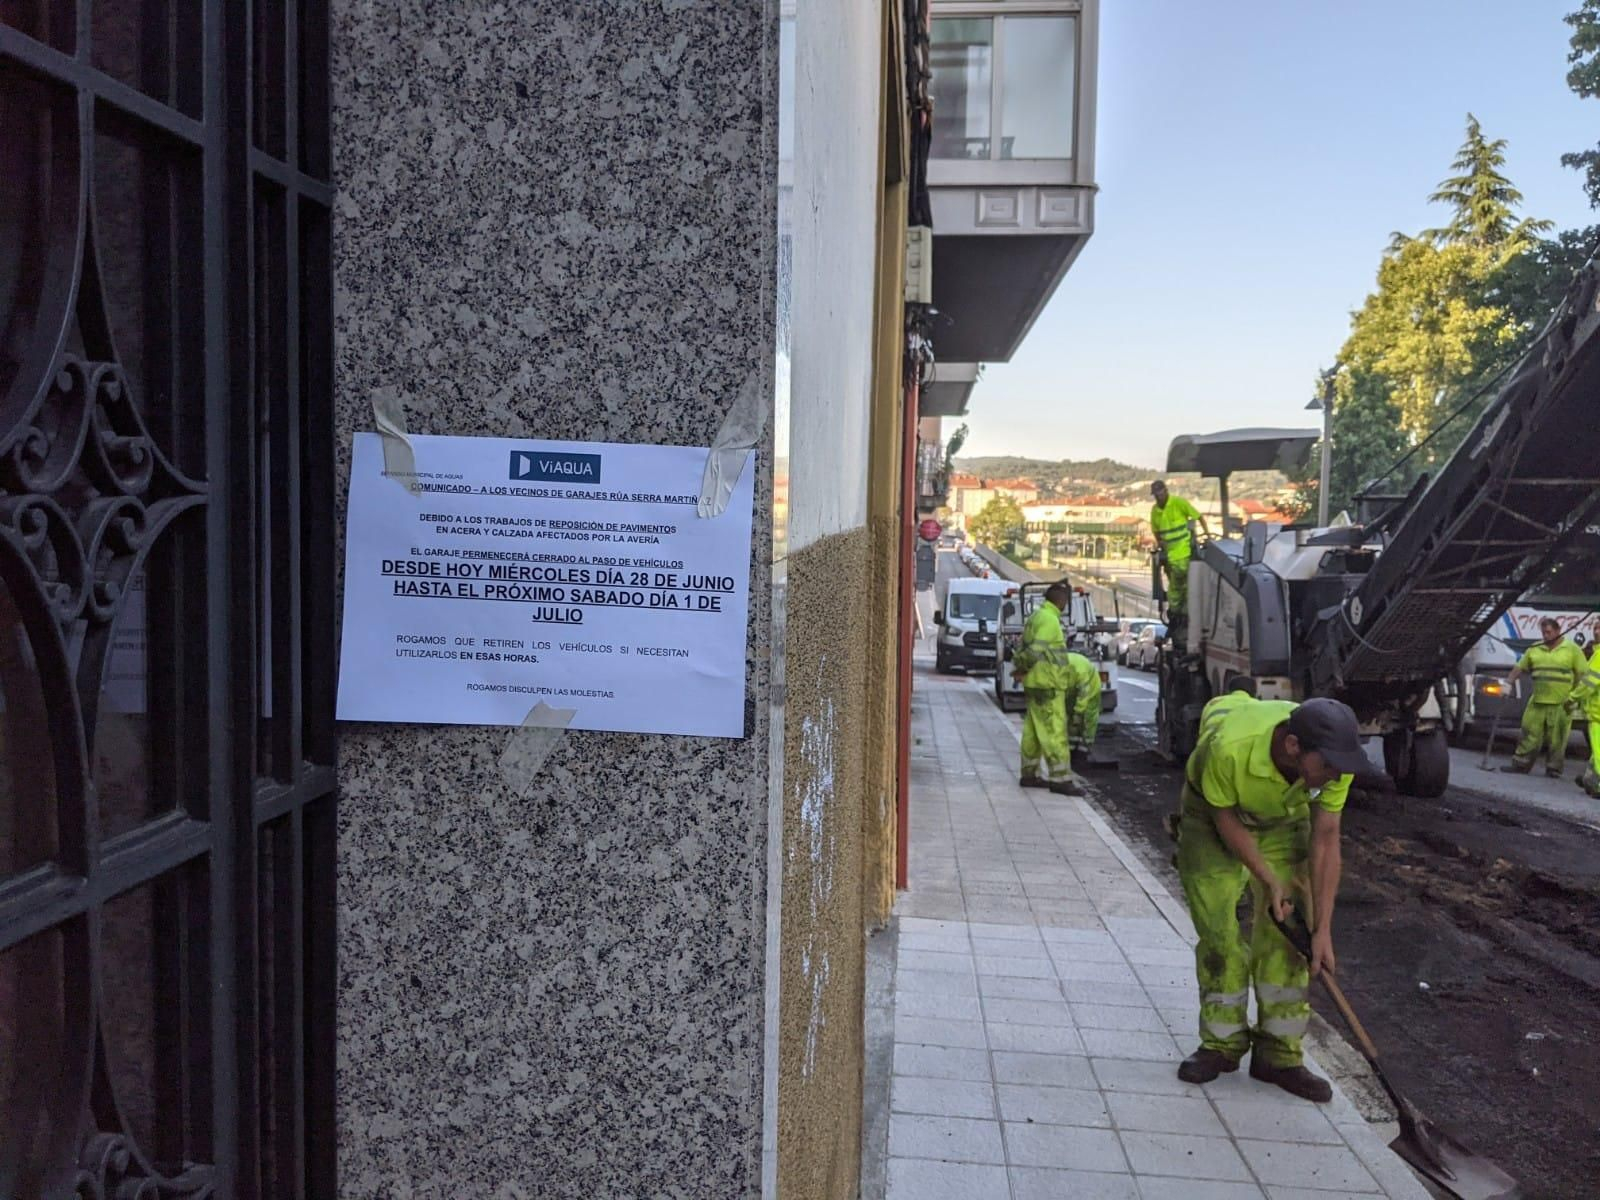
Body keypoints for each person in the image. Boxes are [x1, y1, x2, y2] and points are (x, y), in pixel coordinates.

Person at [1174, 694, 1369, 1103]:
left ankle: (1278, 1056)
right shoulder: (1228, 750)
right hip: (1212, 818)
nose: (1336, 776)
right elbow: (1225, 819)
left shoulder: (1334, 764)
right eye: (1328, 767)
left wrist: (1322, 929)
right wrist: (1267, 879)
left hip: (1282, 821)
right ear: (1293, 746)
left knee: (1292, 939)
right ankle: (1221, 1044)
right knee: (1219, 933)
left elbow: (1326, 839)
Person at [1013, 582, 1083, 796]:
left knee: (1033, 732)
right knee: (1055, 732)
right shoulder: (1050, 620)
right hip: (1048, 685)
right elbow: (1035, 650)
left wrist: (1021, 668)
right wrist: (1022, 665)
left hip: (1035, 683)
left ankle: (1029, 774)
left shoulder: (1036, 616)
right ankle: (1060, 779)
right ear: (1061, 601)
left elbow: (1023, 646)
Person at [1501, 617, 1588, 778]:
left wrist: (1576, 696)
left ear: (1558, 631)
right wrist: (1508, 683)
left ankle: (1554, 768)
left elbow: (1583, 674)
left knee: (1558, 739)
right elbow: (1520, 667)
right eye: (1543, 633)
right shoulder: (1535, 648)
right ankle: (1521, 764)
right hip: (1538, 701)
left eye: (1549, 632)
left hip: (1561, 703)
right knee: (1529, 733)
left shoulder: (1572, 649)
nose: (1546, 636)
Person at [1149, 481, 1210, 621]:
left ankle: (1186, 615)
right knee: (1176, 589)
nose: (1158, 497)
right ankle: (1177, 615)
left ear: (1166, 491)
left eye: (1160, 493)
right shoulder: (1155, 512)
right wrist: (1160, 544)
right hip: (1171, 557)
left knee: (1187, 586)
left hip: (1185, 553)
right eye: (1156, 495)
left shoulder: (1178, 503)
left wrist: (1208, 535)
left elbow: (1199, 517)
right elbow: (1156, 531)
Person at [1064, 650, 1102, 758]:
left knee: (1088, 719)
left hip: (1091, 689)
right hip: (1073, 691)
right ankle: (1071, 748)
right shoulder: (1056, 670)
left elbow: (1083, 694)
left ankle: (1084, 748)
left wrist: (1078, 713)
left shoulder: (1080, 671)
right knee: (1070, 718)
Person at [1574, 642, 1600, 798]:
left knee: (1598, 752)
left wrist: (1572, 697)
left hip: (1597, 714)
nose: (1596, 632)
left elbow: (1589, 683)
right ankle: (1589, 779)